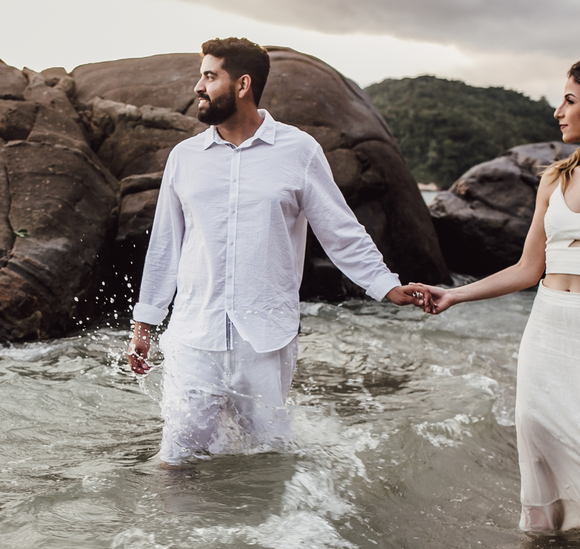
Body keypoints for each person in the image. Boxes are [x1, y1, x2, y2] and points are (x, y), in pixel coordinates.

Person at [126, 37, 432, 467]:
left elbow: (340, 229)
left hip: (266, 339)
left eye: (210, 76)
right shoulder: (185, 157)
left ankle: (264, 536)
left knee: (265, 458)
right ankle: (172, 536)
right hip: (194, 335)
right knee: (176, 459)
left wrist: (386, 286)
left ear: (242, 85)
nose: (198, 86)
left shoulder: (298, 151)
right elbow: (165, 245)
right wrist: (145, 323)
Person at [424, 59, 580, 535]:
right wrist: (455, 295)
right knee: (539, 443)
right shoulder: (553, 178)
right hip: (547, 331)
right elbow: (527, 268)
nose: (558, 112)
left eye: (569, 100)